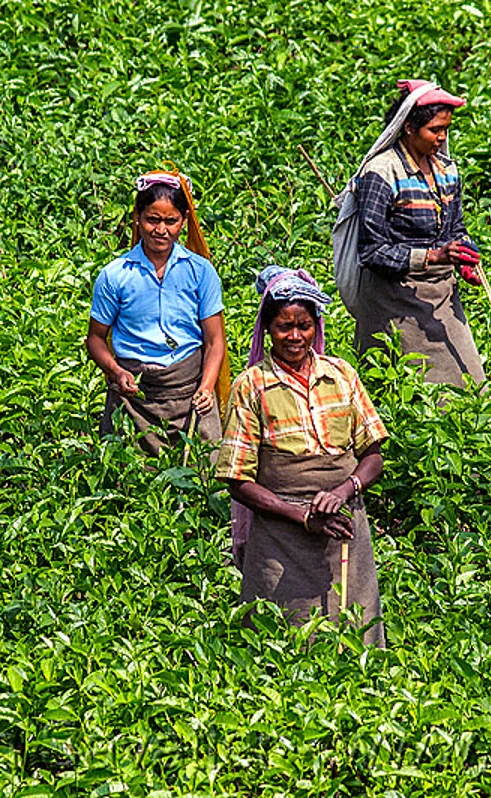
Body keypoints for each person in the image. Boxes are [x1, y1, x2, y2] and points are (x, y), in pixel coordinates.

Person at [217, 266, 388, 647]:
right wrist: (303, 516)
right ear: (267, 329)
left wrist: (344, 490)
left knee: (353, 631)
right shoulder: (252, 385)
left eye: (304, 325)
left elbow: (373, 455)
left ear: (316, 326)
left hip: (344, 523)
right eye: (283, 327)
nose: (295, 336)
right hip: (281, 530)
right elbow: (236, 480)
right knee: (280, 641)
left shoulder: (341, 374)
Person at [335, 79, 487, 387]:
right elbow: (373, 251)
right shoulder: (381, 173)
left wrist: (464, 254)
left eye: (445, 129)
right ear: (408, 127)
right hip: (394, 299)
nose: (441, 137)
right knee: (407, 392)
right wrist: (432, 256)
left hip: (442, 296)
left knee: (471, 384)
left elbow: (455, 226)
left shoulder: (447, 170)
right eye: (434, 130)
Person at [86, 170, 228, 455]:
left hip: (190, 391)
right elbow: (95, 340)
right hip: (135, 396)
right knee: (131, 482)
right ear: (137, 217)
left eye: (171, 221)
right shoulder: (115, 275)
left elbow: (214, 342)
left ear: (184, 222)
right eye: (152, 219)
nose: (161, 230)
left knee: (206, 480)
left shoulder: (200, 272)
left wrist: (206, 386)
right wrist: (115, 371)